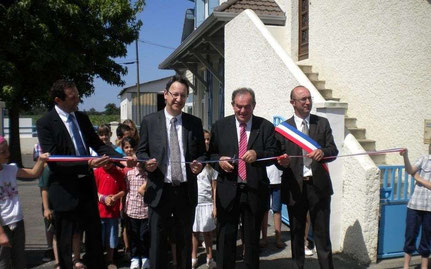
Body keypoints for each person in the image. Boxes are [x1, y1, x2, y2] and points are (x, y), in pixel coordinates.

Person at [36, 79, 127, 269]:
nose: (78, 100)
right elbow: (54, 159)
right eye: (72, 97)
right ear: (58, 100)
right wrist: (88, 163)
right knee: (65, 240)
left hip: (86, 187)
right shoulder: (45, 123)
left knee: (94, 237)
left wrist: (121, 159)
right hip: (64, 189)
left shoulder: (82, 118)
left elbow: (98, 144)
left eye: (78, 95)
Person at [136, 75, 206, 269]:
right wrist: (145, 163)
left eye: (183, 96)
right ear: (165, 95)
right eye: (175, 94)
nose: (179, 99)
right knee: (157, 241)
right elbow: (141, 151)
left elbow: (202, 154)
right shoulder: (150, 121)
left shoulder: (194, 123)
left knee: (184, 239)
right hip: (159, 190)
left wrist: (199, 164)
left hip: (185, 190)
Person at [208, 87, 278, 269]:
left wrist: (258, 153)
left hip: (254, 190)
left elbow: (274, 153)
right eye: (239, 106)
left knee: (252, 240)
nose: (242, 111)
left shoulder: (265, 127)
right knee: (225, 238)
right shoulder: (220, 126)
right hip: (228, 189)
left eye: (247, 106)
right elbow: (210, 154)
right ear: (232, 105)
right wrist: (219, 161)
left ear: (253, 105)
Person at [276, 85, 338, 269]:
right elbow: (277, 156)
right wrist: (281, 162)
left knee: (322, 235)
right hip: (295, 187)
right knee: (296, 234)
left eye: (309, 98)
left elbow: (333, 150)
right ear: (292, 102)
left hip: (318, 187)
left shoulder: (322, 123)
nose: (308, 102)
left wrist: (322, 152)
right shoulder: (283, 129)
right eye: (303, 99)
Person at [0, 136, 50, 268]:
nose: (8, 154)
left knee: (20, 261)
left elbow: (33, 173)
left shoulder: (10, 169)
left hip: (17, 222)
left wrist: (41, 160)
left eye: (7, 150)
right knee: (3, 263)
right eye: (3, 152)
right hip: (2, 225)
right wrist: (1, 234)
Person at [400, 145, 431, 269]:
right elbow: (410, 170)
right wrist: (405, 156)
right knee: (410, 236)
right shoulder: (423, 158)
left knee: (427, 239)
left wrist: (418, 178)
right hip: (415, 205)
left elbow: (415, 175)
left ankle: (424, 267)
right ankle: (406, 266)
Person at [191, 130, 217, 268]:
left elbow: (214, 188)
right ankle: (194, 257)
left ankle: (210, 257)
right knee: (194, 232)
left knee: (208, 233)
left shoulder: (211, 164)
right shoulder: (194, 162)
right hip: (195, 203)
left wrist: (215, 206)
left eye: (208, 139)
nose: (206, 142)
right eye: (204, 139)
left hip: (207, 203)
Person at [95, 161, 126, 269]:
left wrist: (115, 197)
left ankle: (110, 259)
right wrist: (104, 198)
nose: (106, 164)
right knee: (99, 237)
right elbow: (93, 190)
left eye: (109, 162)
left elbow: (123, 190)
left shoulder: (119, 173)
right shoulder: (97, 172)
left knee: (112, 237)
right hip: (99, 211)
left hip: (113, 212)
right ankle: (98, 259)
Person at [125, 158, 150, 269]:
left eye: (141, 160)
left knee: (144, 236)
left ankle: (145, 257)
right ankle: (134, 258)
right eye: (137, 160)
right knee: (134, 235)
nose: (139, 163)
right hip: (132, 210)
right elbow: (126, 191)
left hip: (145, 211)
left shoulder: (149, 175)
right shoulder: (129, 174)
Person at [260, 164, 284, 249]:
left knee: (277, 210)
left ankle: (278, 238)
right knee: (264, 210)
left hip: (278, 180)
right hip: (264, 180)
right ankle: (264, 238)